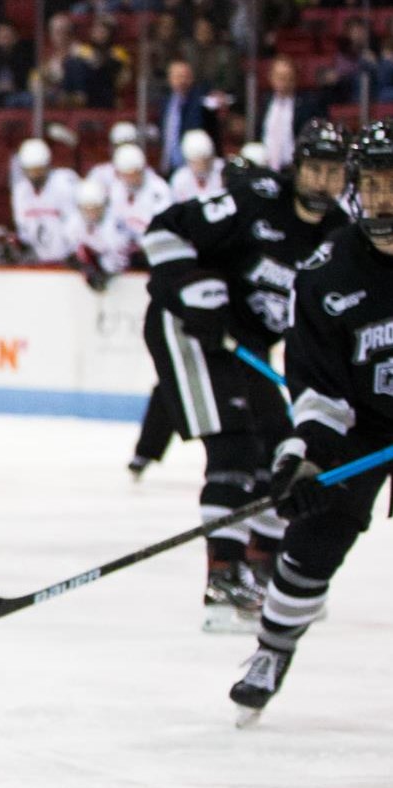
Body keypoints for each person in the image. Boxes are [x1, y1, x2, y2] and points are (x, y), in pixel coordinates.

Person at [137, 120, 351, 630]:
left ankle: (261, 564)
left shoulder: (341, 238)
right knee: (234, 447)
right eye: (314, 169)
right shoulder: (256, 201)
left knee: (282, 448)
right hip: (187, 328)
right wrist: (190, 285)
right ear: (296, 168)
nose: (323, 182)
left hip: (245, 344)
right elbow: (165, 228)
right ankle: (223, 580)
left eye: (334, 172)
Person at [230, 121, 393, 724]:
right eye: (373, 186)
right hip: (365, 426)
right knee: (312, 543)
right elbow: (320, 389)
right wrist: (305, 457)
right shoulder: (327, 274)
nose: (382, 201)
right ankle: (272, 653)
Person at [10, 137, 80, 263]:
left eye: (38, 170)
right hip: (38, 260)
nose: (35, 175)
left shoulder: (64, 183)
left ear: (47, 165)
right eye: (30, 170)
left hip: (69, 259)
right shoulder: (21, 191)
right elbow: (23, 227)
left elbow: (76, 222)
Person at [257, 58, 326, 172]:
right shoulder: (265, 101)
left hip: (294, 168)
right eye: (279, 77)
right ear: (271, 78)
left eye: (287, 77)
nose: (283, 81)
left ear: (294, 79)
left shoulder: (308, 104)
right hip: (267, 167)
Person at [168, 128, 226, 203]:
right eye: (195, 162)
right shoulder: (179, 180)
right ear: (188, 161)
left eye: (204, 160)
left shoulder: (223, 172)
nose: (200, 166)